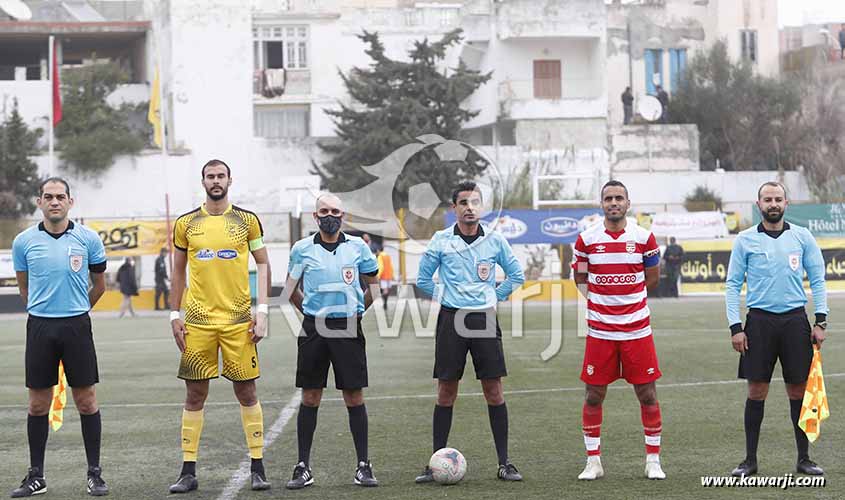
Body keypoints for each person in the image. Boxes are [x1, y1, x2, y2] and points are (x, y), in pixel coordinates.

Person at [168, 159, 272, 493]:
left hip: (239, 321)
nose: (216, 181)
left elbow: (264, 264)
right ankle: (188, 470)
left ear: (230, 180)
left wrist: (264, 310)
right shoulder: (186, 223)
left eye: (221, 176)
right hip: (198, 322)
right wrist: (174, 315)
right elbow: (178, 272)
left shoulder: (247, 221)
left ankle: (258, 466)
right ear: (203, 182)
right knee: (195, 393)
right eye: (210, 176)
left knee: (247, 391)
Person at [415, 181, 526, 483]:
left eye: (475, 202)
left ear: (482, 207)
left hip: (484, 320)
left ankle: (504, 463)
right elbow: (423, 279)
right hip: (451, 320)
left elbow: (517, 275)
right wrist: (448, 295)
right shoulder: (440, 240)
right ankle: (435, 461)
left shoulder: (495, 240)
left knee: (493, 390)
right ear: (454, 208)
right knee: (446, 390)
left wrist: (495, 296)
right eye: (463, 202)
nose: (469, 208)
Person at [10, 177, 109, 497]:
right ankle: (36, 475)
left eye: (60, 197)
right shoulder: (23, 242)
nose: (54, 202)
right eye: (48, 197)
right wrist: (43, 311)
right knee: (38, 404)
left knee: (86, 400)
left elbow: (100, 285)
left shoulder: (89, 239)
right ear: (39, 202)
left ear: (70, 202)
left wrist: (78, 311)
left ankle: (94, 473)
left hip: (77, 326)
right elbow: (23, 287)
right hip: (39, 327)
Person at [725, 181, 828, 478]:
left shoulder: (802, 236)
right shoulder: (745, 240)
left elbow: (818, 280)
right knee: (756, 391)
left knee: (798, 391)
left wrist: (821, 321)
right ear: (759, 205)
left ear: (786, 203)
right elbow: (732, 286)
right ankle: (749, 461)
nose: (773, 204)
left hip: (796, 322)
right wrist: (736, 327)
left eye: (778, 199)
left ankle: (804, 459)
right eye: (768, 199)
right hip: (758, 323)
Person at [283, 193, 380, 489]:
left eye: (335, 211)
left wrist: (359, 310)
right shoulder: (301, 249)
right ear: (315, 216)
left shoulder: (358, 247)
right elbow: (289, 289)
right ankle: (303, 467)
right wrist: (311, 313)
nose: (330, 215)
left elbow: (374, 286)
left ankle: (363, 465)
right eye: (324, 210)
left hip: (348, 327)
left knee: (354, 395)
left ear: (343, 216)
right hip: (314, 328)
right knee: (311, 396)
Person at [572, 180, 665, 481]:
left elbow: (652, 277)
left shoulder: (644, 237)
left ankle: (653, 461)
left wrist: (628, 302)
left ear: (628, 202)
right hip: (600, 332)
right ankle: (593, 462)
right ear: (602, 204)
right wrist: (602, 304)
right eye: (608, 198)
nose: (614, 203)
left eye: (619, 198)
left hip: (637, 330)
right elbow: (581, 279)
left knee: (647, 394)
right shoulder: (586, 239)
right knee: (593, 395)